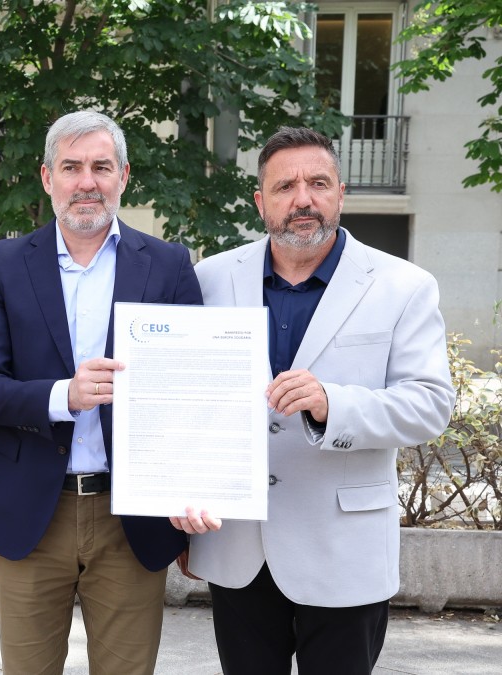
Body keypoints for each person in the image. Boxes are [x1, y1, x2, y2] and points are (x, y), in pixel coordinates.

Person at [174, 127, 455, 674]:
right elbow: (187, 402)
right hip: (238, 551)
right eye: (284, 187)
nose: (302, 199)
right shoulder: (208, 279)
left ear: (341, 193)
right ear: (261, 202)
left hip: (344, 551)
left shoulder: (403, 285)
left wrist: (334, 403)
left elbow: (430, 404)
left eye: (318, 183)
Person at [0, 110, 203, 674]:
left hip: (133, 518)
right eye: (71, 167)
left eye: (100, 166)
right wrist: (61, 395)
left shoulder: (167, 265)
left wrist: (194, 494)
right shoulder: (5, 264)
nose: (85, 181)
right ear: (48, 178)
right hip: (29, 515)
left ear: (123, 176)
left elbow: (193, 396)